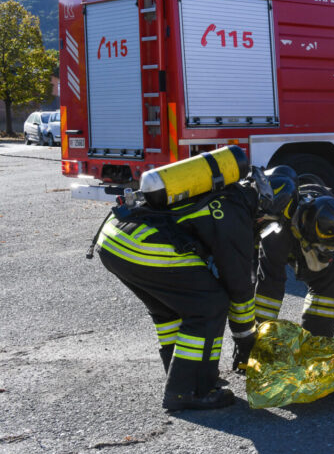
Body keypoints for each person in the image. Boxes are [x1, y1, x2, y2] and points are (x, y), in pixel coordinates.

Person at [93, 164, 267, 411]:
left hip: (113, 240)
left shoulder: (222, 192)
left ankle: (182, 374)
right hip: (141, 246)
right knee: (210, 306)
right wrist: (245, 337)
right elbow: (238, 285)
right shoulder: (235, 212)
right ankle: (187, 391)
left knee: (169, 310)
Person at [254, 173, 334, 338]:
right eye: (324, 248)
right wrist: (257, 339)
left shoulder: (332, 212)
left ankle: (317, 341)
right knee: (264, 286)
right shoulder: (277, 234)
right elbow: (270, 287)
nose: (327, 254)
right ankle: (256, 339)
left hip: (302, 232)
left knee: (332, 275)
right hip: (259, 240)